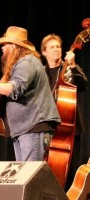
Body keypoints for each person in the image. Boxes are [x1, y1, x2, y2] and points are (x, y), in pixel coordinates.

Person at [0, 26, 61, 161]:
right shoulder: (19, 64)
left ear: (13, 46)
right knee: (24, 177)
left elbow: (15, 89)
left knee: (29, 177)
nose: (2, 48)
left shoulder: (26, 61)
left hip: (33, 126)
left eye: (4, 44)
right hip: (24, 129)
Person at [40, 33, 89, 190]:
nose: (56, 49)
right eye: (52, 47)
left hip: (69, 129)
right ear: (44, 52)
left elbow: (83, 85)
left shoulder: (68, 68)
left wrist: (73, 65)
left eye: (58, 46)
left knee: (69, 172)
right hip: (47, 128)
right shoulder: (40, 73)